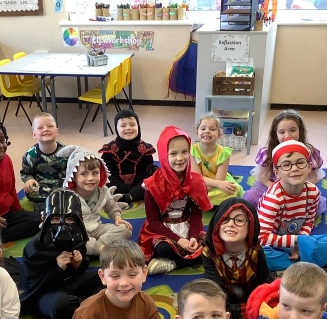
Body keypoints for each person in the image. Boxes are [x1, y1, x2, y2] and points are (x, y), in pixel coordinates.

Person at [257, 140, 327, 279]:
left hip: (301, 244)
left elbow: (308, 222)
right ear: (277, 172)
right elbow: (263, 238)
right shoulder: (273, 198)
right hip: (275, 244)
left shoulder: (313, 192)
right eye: (286, 165)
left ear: (309, 167)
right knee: (261, 255)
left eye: (300, 163)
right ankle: (314, 270)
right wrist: (297, 241)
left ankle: (291, 271)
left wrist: (300, 244)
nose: (294, 168)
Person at [20, 188, 102, 319]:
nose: (62, 225)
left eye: (69, 219)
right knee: (60, 304)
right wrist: (57, 268)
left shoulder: (76, 237)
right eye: (56, 219)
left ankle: (88, 311)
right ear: (44, 219)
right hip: (44, 295)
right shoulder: (34, 248)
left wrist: (79, 263)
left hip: (70, 284)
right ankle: (95, 314)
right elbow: (33, 286)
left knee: (104, 276)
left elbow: (81, 269)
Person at [138, 125, 212, 276]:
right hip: (162, 230)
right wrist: (178, 240)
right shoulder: (152, 185)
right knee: (163, 249)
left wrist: (193, 237)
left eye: (184, 152)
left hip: (187, 226)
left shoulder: (196, 181)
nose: (180, 158)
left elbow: (196, 214)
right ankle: (192, 259)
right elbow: (153, 221)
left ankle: (174, 263)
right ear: (164, 156)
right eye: (173, 153)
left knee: (214, 242)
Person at [203, 197, 273, 319]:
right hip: (224, 303)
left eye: (239, 220)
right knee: (208, 316)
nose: (230, 224)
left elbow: (264, 287)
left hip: (251, 301)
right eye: (225, 219)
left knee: (279, 313)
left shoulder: (255, 251)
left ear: (250, 226)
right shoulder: (209, 253)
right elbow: (217, 294)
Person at [244, 109, 326, 214]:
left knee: (314, 203)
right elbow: (263, 178)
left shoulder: (309, 152)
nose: (288, 136)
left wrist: (297, 192)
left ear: (300, 131)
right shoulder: (267, 153)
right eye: (282, 132)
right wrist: (279, 192)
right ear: (276, 135)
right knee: (251, 198)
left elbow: (313, 178)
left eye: (292, 130)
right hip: (271, 188)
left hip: (298, 190)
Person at [58, 145, 132, 256]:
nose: (91, 178)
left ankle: (98, 249)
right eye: (84, 174)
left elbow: (111, 205)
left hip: (97, 229)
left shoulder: (102, 191)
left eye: (95, 173)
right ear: (73, 176)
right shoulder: (67, 196)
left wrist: (118, 218)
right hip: (77, 232)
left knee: (125, 229)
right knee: (69, 239)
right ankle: (101, 249)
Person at [98, 109, 156, 204]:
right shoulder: (110, 149)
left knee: (156, 175)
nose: (128, 128)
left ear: (138, 126)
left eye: (132, 124)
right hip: (117, 184)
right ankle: (131, 195)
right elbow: (106, 172)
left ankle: (129, 196)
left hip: (139, 185)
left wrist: (137, 188)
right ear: (116, 129)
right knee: (101, 178)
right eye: (123, 125)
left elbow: (147, 170)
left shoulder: (145, 148)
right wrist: (127, 188)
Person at [191, 112, 244, 206]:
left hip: (218, 184)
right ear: (197, 131)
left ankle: (201, 201)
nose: (207, 131)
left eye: (212, 129)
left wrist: (205, 190)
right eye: (203, 128)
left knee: (232, 190)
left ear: (219, 134)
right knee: (188, 188)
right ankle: (206, 200)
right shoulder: (192, 151)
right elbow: (197, 178)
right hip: (202, 183)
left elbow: (220, 180)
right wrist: (203, 188)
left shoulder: (224, 153)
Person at [20, 112, 68, 211]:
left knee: (77, 187)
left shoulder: (66, 151)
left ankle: (60, 202)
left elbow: (72, 170)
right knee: (30, 191)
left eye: (50, 126)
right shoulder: (30, 155)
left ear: (57, 131)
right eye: (40, 127)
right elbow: (26, 173)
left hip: (62, 183)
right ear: (34, 134)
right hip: (41, 185)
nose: (45, 129)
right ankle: (49, 204)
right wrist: (29, 180)